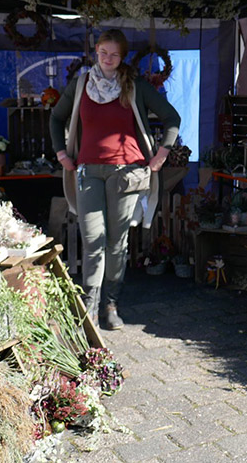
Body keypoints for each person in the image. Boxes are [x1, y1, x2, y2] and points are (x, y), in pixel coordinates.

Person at [50, 30, 180, 330]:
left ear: (122, 58)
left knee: (116, 243)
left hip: (126, 174)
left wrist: (161, 155)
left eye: (114, 54)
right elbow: (56, 118)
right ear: (96, 51)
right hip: (87, 172)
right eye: (103, 52)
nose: (108, 59)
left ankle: (110, 304)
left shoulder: (134, 86)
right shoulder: (81, 85)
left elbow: (172, 118)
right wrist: (61, 154)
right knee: (93, 240)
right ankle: (91, 309)